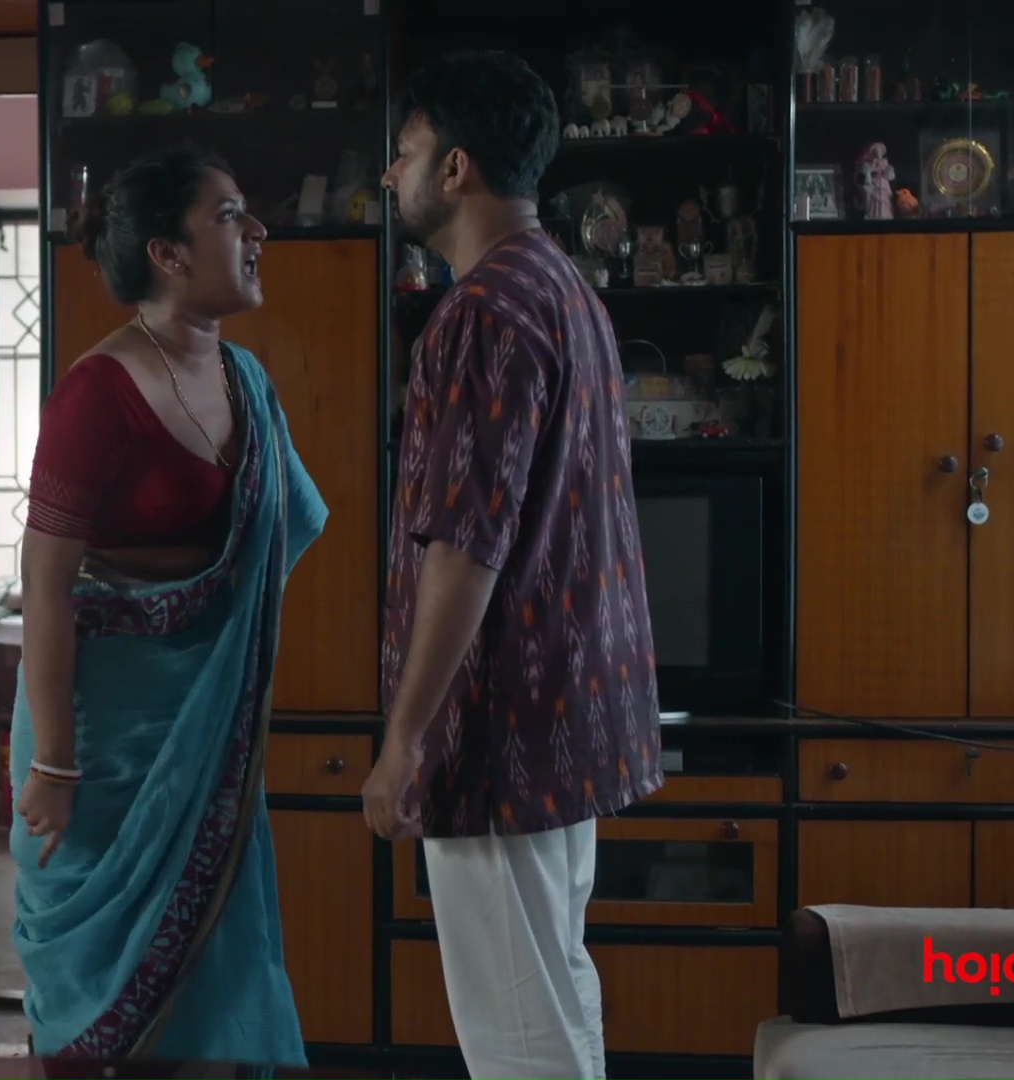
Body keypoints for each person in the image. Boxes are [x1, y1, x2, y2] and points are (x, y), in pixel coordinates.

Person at [363, 50, 665, 1080]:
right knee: (554, 995)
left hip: (501, 735)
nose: (390, 174)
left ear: (454, 169)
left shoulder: (482, 312)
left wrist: (405, 739)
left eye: (404, 152)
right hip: (564, 719)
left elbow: (466, 548)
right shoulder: (565, 288)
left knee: (520, 1037)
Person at [9, 145, 325, 1067]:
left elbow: (278, 533)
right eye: (229, 216)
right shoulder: (96, 395)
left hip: (203, 727)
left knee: (216, 977)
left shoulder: (245, 381)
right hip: (101, 739)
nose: (257, 231)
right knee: (105, 996)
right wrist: (55, 763)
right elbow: (44, 581)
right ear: (167, 254)